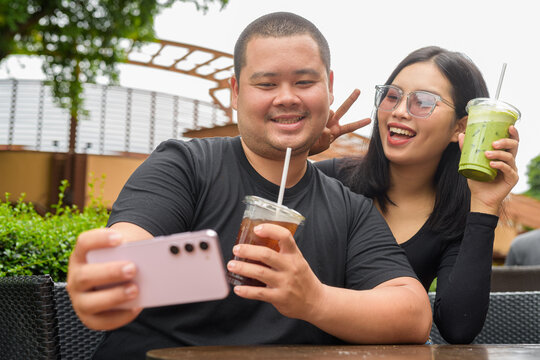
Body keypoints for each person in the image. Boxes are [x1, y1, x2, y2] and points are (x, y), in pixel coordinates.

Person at [66, 12, 432, 359]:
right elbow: (129, 250)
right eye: (266, 83)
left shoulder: (349, 209)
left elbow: (413, 313)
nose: (287, 96)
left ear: (329, 87)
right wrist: (107, 278)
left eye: (305, 82)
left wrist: (314, 299)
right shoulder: (186, 166)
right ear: (236, 92)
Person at [315, 46, 520, 344]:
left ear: (461, 128)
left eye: (423, 102)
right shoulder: (330, 180)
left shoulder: (455, 217)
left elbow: (458, 328)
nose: (399, 111)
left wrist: (485, 206)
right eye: (393, 96)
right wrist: (297, 154)